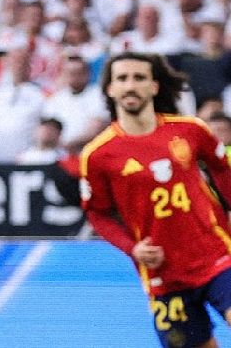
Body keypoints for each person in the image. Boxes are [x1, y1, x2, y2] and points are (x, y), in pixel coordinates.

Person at [81, 52, 231, 348]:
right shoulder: (98, 155)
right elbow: (97, 214)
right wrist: (132, 248)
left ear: (154, 86)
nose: (130, 85)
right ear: (110, 89)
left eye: (139, 77)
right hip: (163, 275)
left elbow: (221, 169)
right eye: (122, 79)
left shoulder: (190, 130)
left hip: (218, 256)